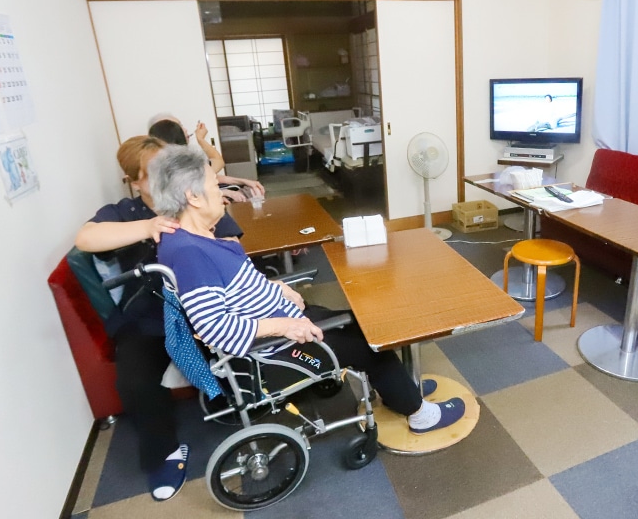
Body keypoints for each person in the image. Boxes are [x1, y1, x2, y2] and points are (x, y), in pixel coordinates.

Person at [148, 145, 466, 435]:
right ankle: (420, 414)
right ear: (192, 196)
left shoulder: (190, 239)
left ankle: (401, 391)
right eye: (212, 183)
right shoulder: (191, 253)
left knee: (363, 322)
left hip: (288, 329)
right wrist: (287, 324)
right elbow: (216, 328)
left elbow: (231, 291)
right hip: (282, 353)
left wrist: (276, 287)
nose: (221, 190)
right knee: (373, 345)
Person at [74, 135, 245, 502]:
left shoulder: (192, 199)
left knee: (238, 342)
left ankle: (230, 399)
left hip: (205, 307)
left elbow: (234, 249)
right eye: (155, 172)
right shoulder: (124, 212)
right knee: (134, 381)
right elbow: (86, 238)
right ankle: (164, 453)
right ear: (135, 182)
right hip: (149, 316)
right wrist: (149, 227)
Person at [147, 113, 265, 203]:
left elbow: (211, 171)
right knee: (249, 195)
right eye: (178, 126)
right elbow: (216, 163)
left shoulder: (186, 155)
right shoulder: (164, 163)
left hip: (209, 193)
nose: (185, 129)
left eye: (181, 125)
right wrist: (222, 193)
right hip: (198, 202)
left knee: (252, 190)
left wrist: (244, 181)